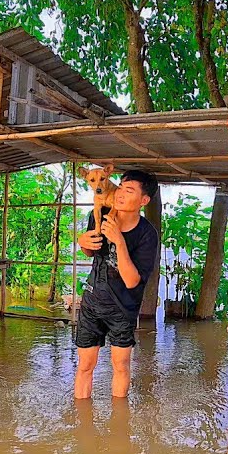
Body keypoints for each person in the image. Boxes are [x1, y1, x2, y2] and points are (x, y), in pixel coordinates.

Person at [73, 169, 160, 399]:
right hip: (92, 301)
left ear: (143, 201)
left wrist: (119, 241)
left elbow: (132, 281)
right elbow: (90, 252)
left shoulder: (147, 235)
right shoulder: (98, 215)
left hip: (123, 307)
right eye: (120, 187)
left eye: (128, 190)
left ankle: (119, 424)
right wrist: (82, 242)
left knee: (120, 367)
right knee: (84, 366)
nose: (120, 193)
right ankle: (82, 426)